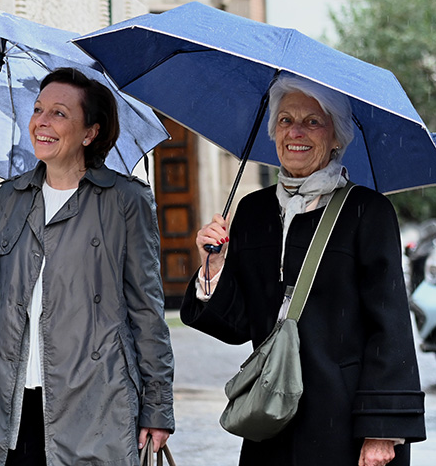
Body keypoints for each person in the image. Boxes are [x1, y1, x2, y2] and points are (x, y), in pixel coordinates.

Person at [180, 73, 426, 466]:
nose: (296, 131)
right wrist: (214, 265)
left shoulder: (367, 211)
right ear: (273, 133)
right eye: (285, 120)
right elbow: (238, 325)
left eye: (313, 121)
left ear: (336, 138)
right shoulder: (253, 211)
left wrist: (381, 430)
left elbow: (390, 325)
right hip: (272, 418)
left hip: (345, 423)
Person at [0, 67, 175, 466]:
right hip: (8, 402)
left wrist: (157, 408)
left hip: (93, 404)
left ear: (89, 133)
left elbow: (147, 310)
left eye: (59, 113)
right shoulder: (9, 198)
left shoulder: (124, 201)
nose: (42, 122)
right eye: (38, 110)